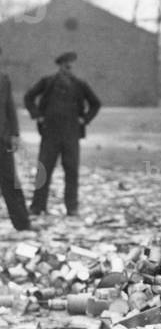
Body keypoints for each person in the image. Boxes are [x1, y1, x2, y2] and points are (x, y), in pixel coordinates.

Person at [24, 51, 100, 218]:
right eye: (65, 65)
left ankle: (72, 208)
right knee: (44, 170)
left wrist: (84, 119)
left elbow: (96, 103)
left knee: (71, 171)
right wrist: (37, 115)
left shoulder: (80, 84)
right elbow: (29, 97)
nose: (68, 68)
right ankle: (37, 207)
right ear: (59, 66)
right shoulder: (47, 82)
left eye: (70, 65)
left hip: (71, 135)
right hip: (50, 134)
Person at [0, 46, 32, 232]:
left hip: (2, 140)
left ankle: (23, 224)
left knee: (11, 182)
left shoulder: (3, 79)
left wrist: (14, 134)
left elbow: (10, 108)